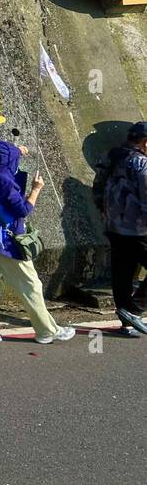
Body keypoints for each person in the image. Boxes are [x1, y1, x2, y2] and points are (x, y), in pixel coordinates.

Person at [0, 140, 75, 345]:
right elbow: (23, 210)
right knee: (31, 285)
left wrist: (16, 151)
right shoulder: (5, 180)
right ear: (5, 160)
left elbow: (2, 167)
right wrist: (36, 189)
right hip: (7, 243)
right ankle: (47, 331)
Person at [92, 120, 147, 338]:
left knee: (122, 272)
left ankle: (126, 324)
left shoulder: (111, 155)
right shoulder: (142, 164)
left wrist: (105, 213)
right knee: (125, 270)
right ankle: (133, 310)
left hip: (114, 226)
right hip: (139, 229)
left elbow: (97, 188)